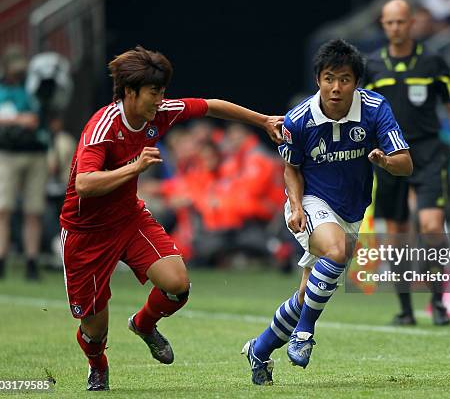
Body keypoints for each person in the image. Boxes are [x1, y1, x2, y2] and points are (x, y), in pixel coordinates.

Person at [59, 46, 283, 391]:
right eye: (154, 92)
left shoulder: (159, 113)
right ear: (130, 92)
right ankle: (98, 365)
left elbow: (212, 106)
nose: (161, 100)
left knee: (177, 284)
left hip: (128, 219)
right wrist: (134, 168)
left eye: (163, 91)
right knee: (94, 329)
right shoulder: (103, 127)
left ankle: (144, 324)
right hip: (85, 233)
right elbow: (84, 184)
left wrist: (264, 120)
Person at [241, 39, 413, 385]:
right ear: (318, 79)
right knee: (336, 251)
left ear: (356, 82)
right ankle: (304, 334)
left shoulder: (375, 108)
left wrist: (385, 161)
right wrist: (293, 205)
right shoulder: (299, 119)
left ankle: (259, 350)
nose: (336, 87)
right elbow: (291, 168)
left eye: (345, 79)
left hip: (351, 210)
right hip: (311, 203)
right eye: (329, 78)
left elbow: (406, 164)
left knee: (308, 294)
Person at [363, 0, 450, 326]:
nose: (395, 27)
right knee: (397, 234)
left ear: (411, 23)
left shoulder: (434, 62)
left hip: (426, 153)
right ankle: (406, 310)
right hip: (389, 157)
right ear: (383, 25)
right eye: (389, 22)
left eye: (401, 21)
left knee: (432, 226)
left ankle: (438, 301)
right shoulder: (371, 66)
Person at [0, 45, 45, 280]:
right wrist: (19, 120)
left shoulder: (33, 86)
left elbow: (46, 113)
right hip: (6, 154)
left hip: (35, 152)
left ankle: (32, 262)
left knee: (33, 210)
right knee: (1, 208)